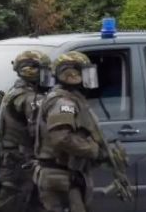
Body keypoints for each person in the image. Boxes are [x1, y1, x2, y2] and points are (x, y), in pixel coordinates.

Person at [34, 51, 106, 212]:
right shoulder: (63, 102)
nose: (88, 78)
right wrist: (92, 150)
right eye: (84, 72)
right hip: (59, 175)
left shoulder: (71, 98)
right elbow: (61, 138)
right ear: (71, 74)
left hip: (66, 174)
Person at [0, 50, 51, 212]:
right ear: (30, 71)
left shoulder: (12, 93)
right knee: (12, 205)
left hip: (13, 159)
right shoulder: (30, 98)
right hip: (21, 161)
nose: (48, 75)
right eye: (44, 70)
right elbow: (40, 131)